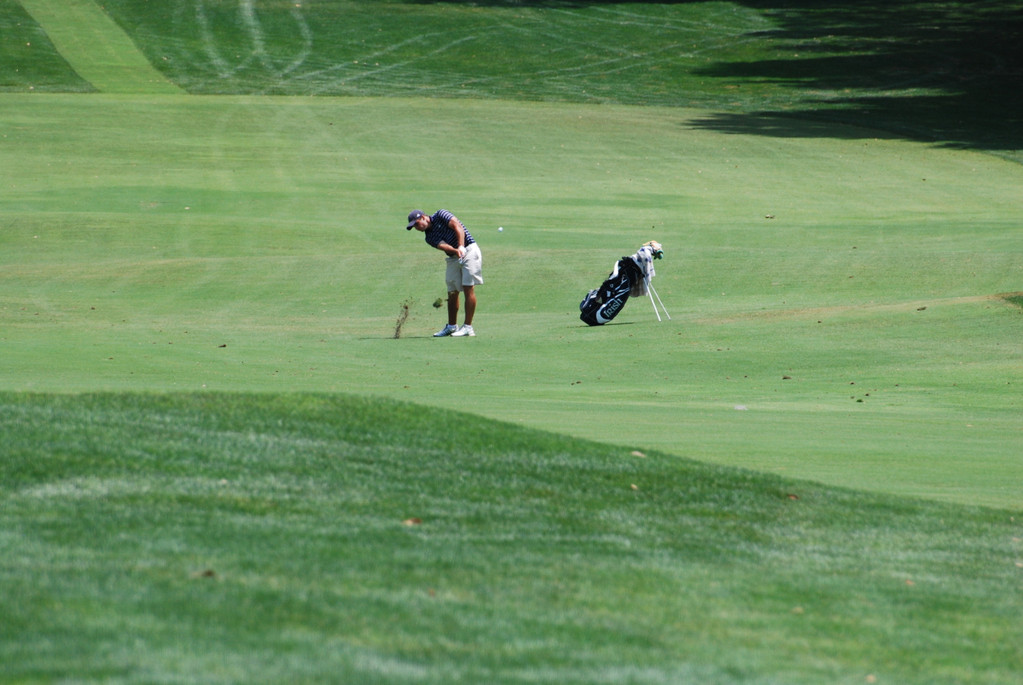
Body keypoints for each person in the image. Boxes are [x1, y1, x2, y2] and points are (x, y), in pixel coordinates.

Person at [406, 209, 483, 337]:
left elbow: (457, 226)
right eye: (414, 227)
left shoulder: (441, 214)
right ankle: (452, 326)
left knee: (468, 287)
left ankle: (468, 327)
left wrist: (461, 246)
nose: (417, 228)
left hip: (469, 250)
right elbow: (443, 246)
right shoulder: (429, 237)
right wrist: (456, 250)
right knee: (452, 291)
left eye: (417, 224)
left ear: (424, 217)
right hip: (453, 256)